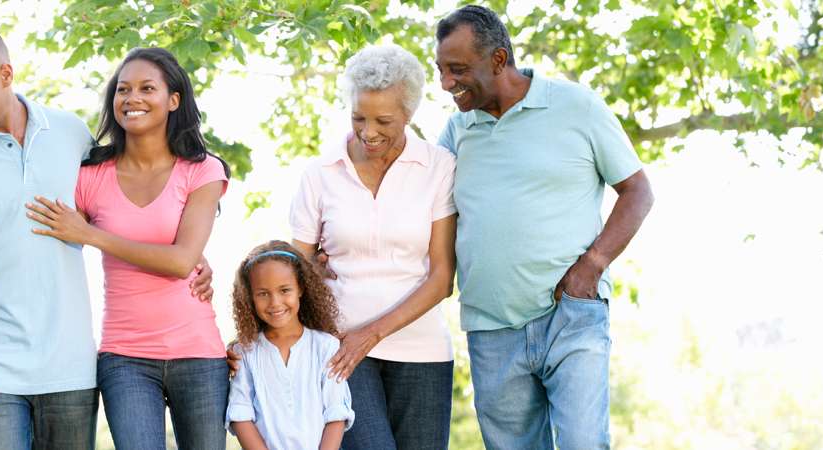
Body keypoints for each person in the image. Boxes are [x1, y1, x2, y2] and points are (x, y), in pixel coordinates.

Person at [0, 27, 214, 450]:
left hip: (70, 367)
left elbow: (119, 209)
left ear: (6, 74)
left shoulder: (69, 133)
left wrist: (191, 255)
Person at [433, 6, 655, 450]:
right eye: (440, 70)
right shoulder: (457, 132)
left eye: (457, 69)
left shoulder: (577, 106)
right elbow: (419, 210)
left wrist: (592, 265)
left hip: (570, 314)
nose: (445, 83)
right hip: (491, 329)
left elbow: (638, 192)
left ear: (498, 60)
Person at [25, 47, 230, 449]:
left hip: (199, 353)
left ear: (174, 100)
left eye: (146, 88)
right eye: (123, 89)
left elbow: (181, 260)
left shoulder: (202, 169)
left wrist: (93, 235)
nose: (131, 98)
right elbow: (40, 235)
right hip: (125, 357)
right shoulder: (90, 175)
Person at [287, 44, 458, 449]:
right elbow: (295, 266)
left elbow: (441, 278)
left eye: (384, 120)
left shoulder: (439, 167)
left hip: (423, 351)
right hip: (340, 351)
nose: (368, 132)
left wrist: (372, 333)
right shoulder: (320, 173)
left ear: (409, 114)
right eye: (358, 117)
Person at [226, 241, 354, 450]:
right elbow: (241, 414)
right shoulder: (245, 352)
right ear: (250, 296)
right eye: (263, 293)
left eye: (284, 290)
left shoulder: (325, 347)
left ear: (301, 288)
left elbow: (336, 414)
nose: (275, 302)